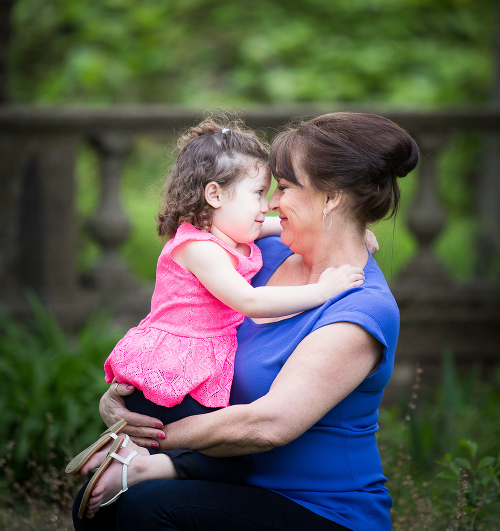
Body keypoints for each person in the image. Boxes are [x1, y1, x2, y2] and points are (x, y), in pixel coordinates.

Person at [73, 112, 419, 531]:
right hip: (234, 477)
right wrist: (121, 401)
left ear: (332, 199)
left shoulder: (361, 310)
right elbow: (182, 330)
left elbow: (268, 425)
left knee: (145, 507)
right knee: (94, 507)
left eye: (286, 188)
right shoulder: (258, 259)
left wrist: (147, 435)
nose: (271, 202)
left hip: (320, 509)